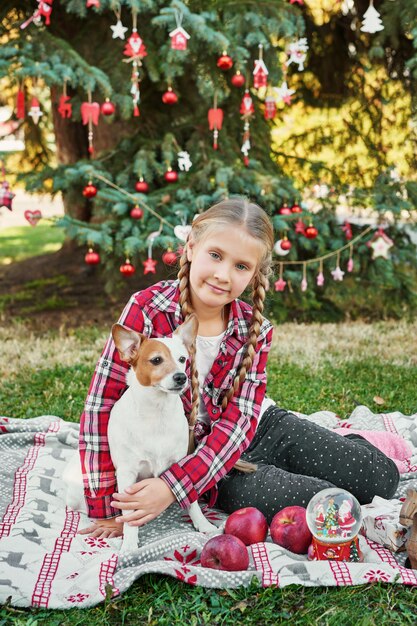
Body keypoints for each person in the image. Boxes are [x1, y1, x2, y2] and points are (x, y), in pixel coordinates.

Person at [78, 197, 399, 539]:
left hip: (259, 428)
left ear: (254, 274)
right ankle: (294, 469)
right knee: (328, 500)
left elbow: (241, 420)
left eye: (241, 266)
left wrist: (172, 488)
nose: (222, 275)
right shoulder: (145, 309)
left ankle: (350, 442)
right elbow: (101, 405)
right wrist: (108, 508)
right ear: (190, 247)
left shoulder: (254, 328)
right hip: (212, 466)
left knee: (381, 478)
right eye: (215, 255)